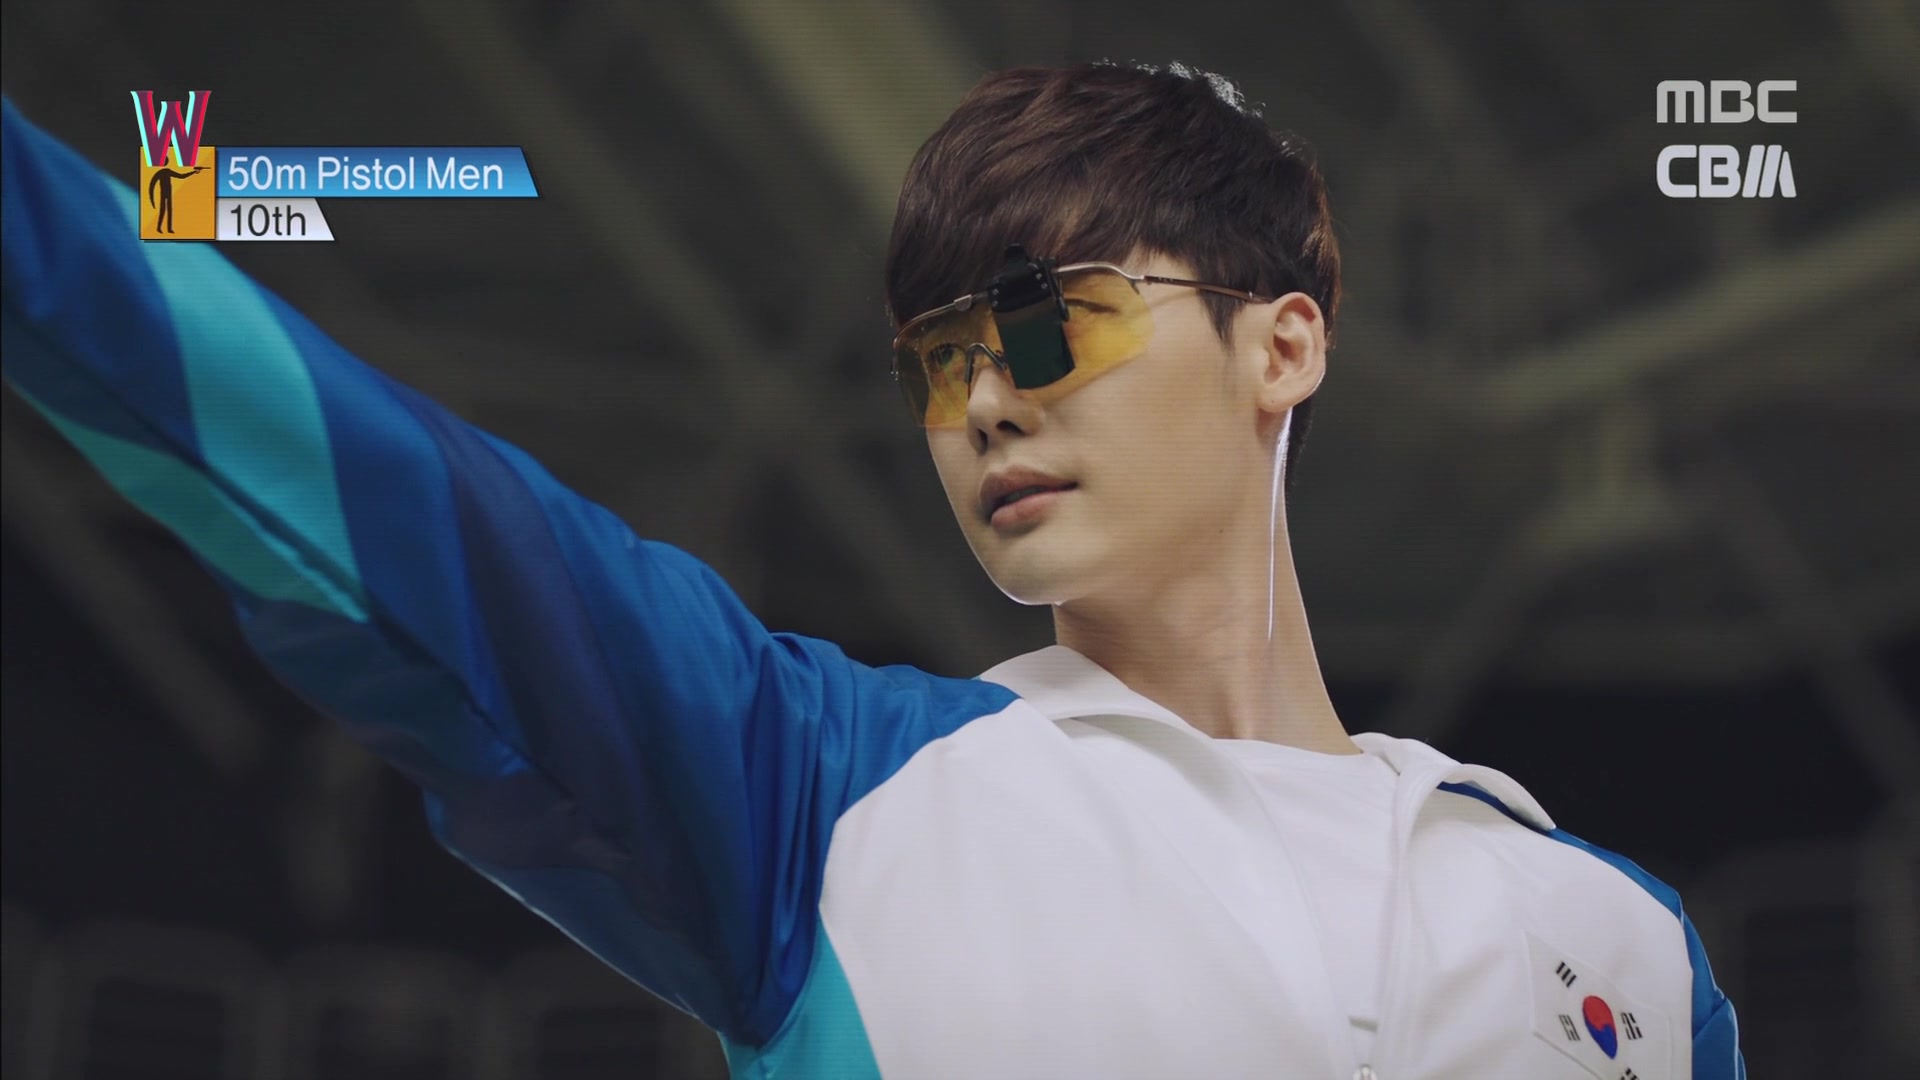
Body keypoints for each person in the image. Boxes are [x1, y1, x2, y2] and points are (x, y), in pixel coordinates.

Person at [1, 61, 1743, 1080]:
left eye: (1049, 325)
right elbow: (380, 493)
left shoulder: (1624, 945)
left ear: (1281, 346)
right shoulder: (822, 791)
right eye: (937, 359)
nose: (982, 401)